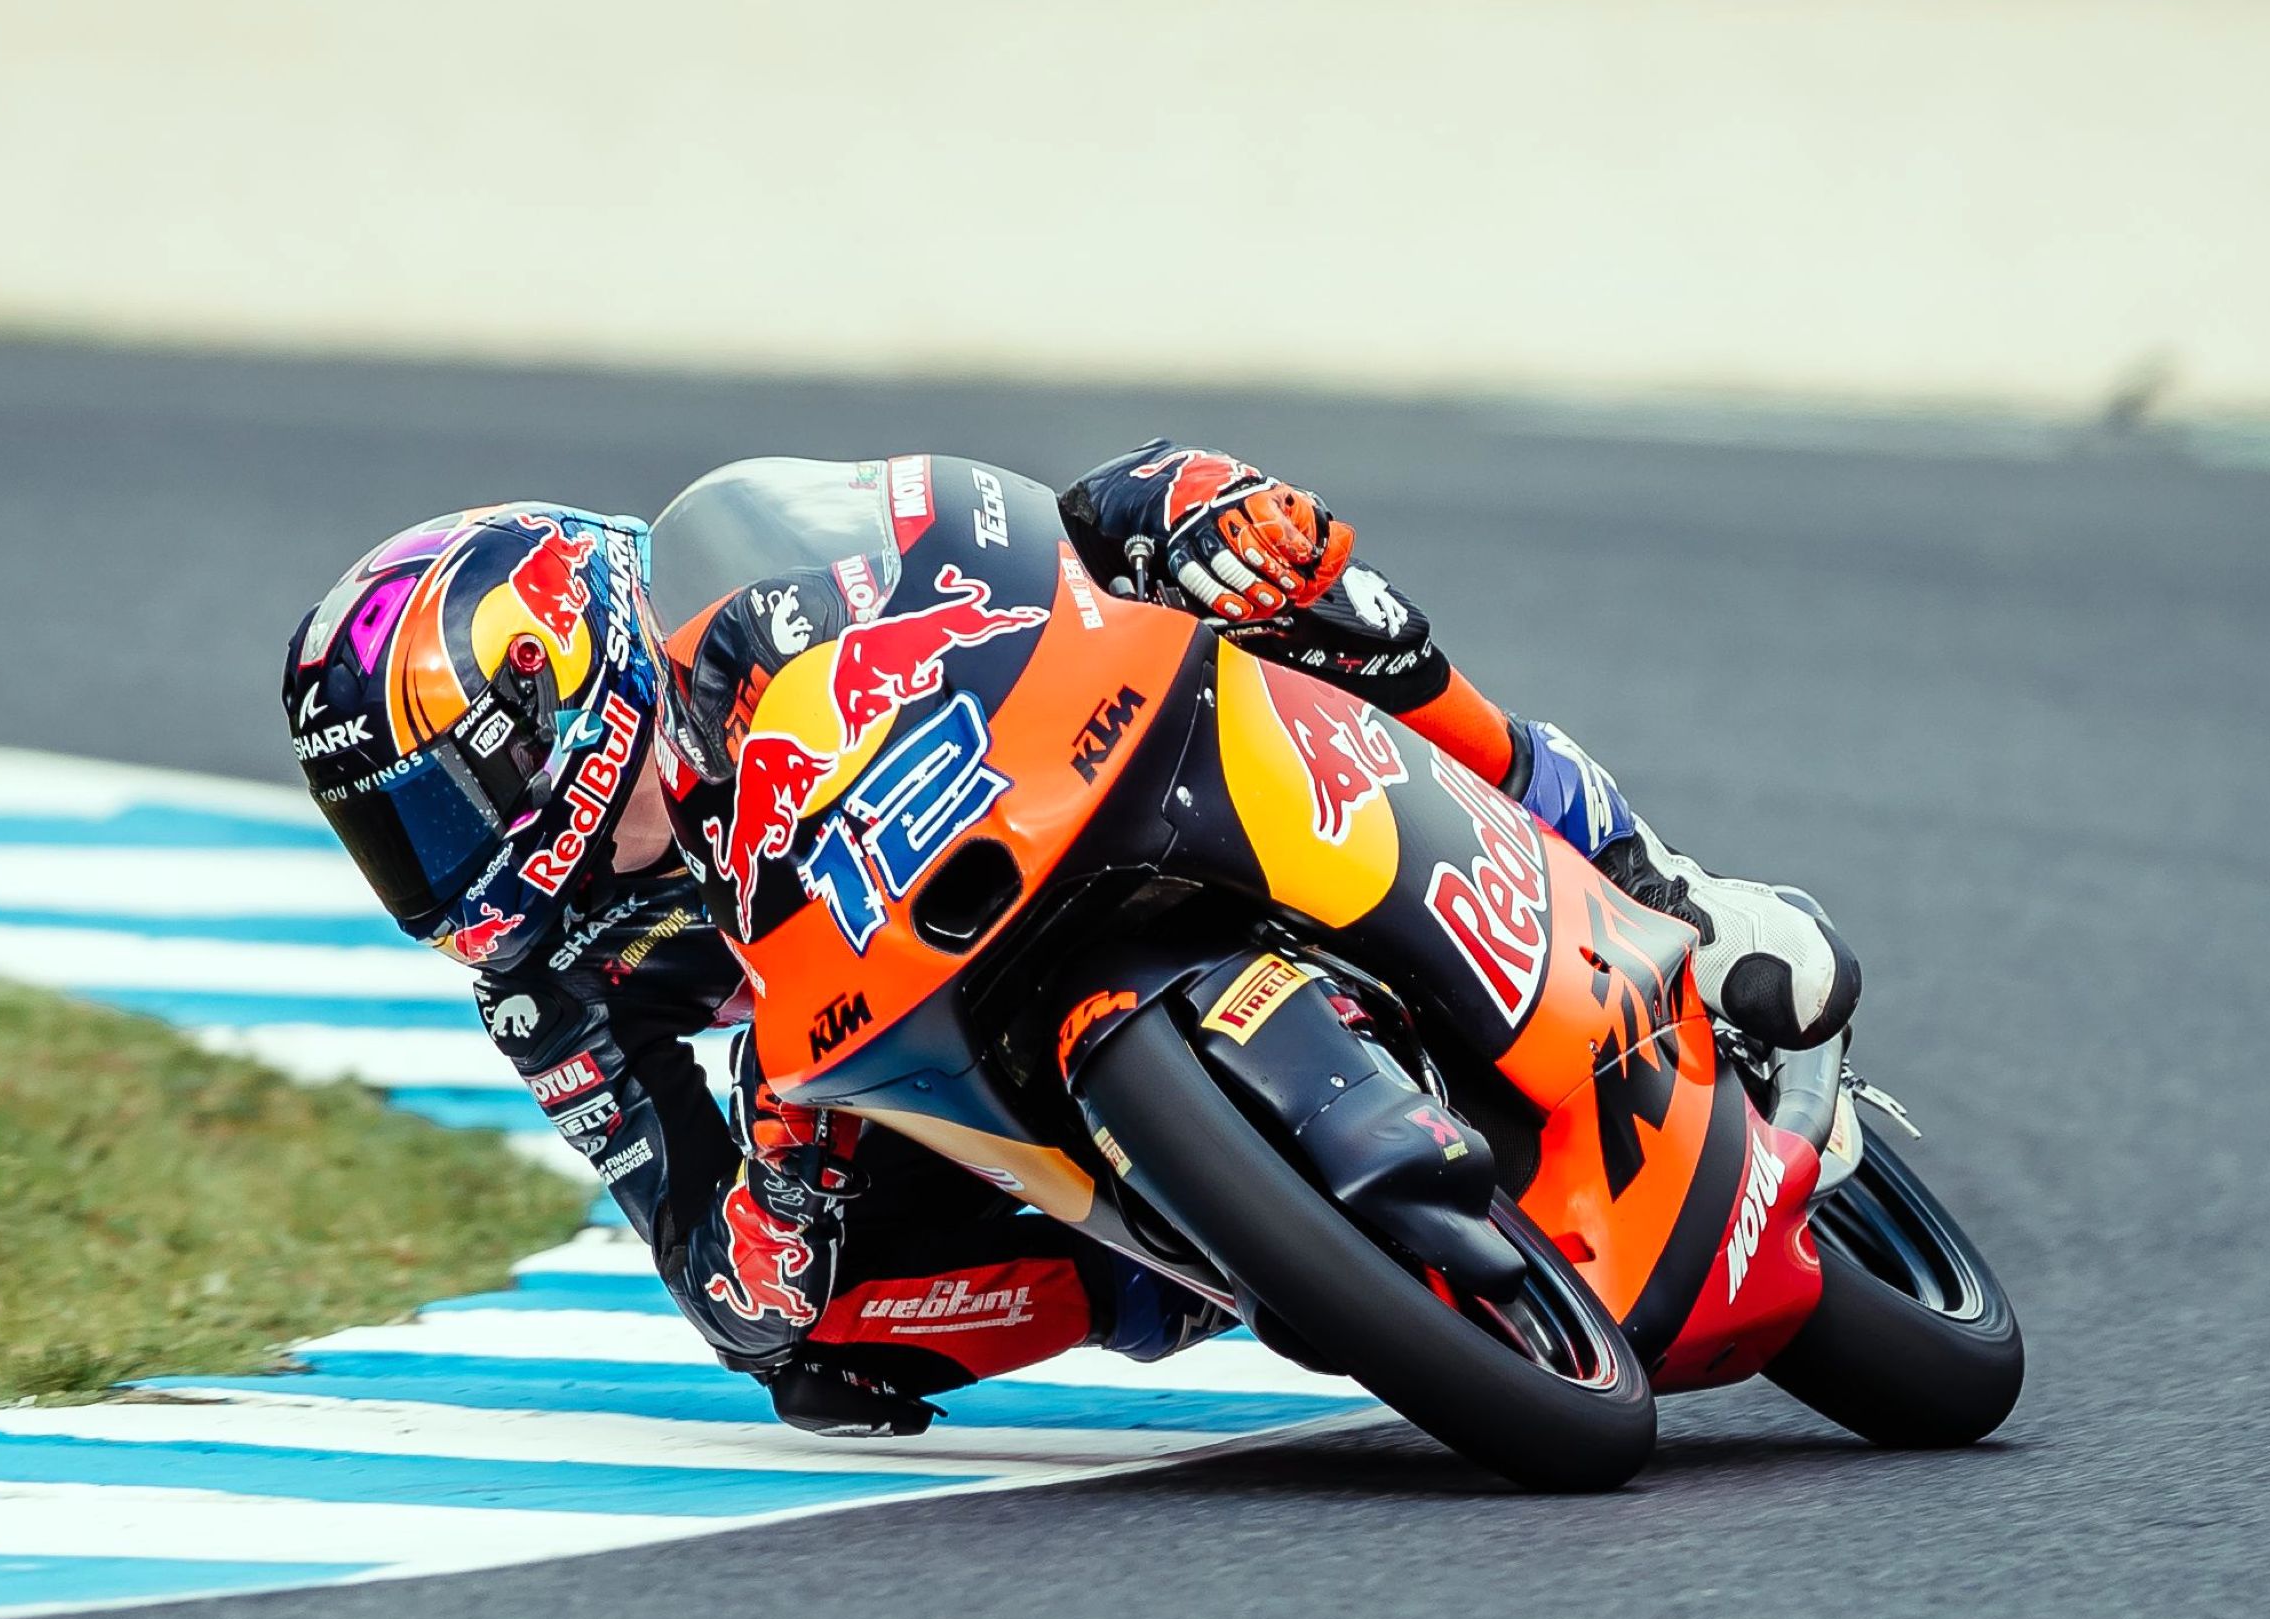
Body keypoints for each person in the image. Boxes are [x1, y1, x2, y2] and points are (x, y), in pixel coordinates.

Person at [278, 446, 1856, 1436]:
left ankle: (1655, 880)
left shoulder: (750, 589)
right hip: (906, 1043)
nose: (435, 865)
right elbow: (718, 1279)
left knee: (1225, 539)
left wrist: (1163, 512)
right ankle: (1193, 1260)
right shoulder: (548, 980)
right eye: (386, 837)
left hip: (1075, 777)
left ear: (555, 680)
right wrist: (785, 1172)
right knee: (815, 1352)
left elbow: (1002, 520)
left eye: (433, 808)